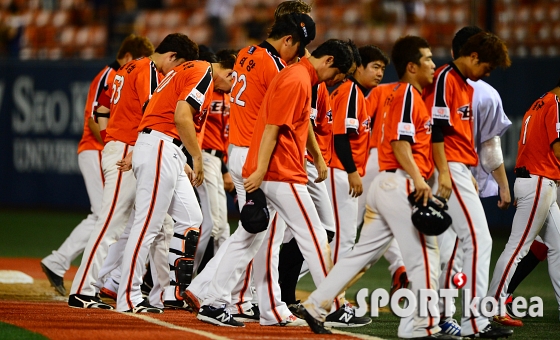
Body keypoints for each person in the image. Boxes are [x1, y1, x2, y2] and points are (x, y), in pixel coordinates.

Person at [300, 35, 448, 339]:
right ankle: (423, 325)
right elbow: (398, 141)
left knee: (360, 254)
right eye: (428, 59)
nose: (433, 65)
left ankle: (316, 305)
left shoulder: (386, 92)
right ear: (411, 66)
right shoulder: (407, 92)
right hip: (399, 180)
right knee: (423, 254)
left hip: (382, 180)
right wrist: (419, 180)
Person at [184, 13, 317, 325]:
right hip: (257, 153)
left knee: (256, 232)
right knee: (261, 234)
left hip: (240, 148)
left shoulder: (246, 53)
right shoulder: (278, 67)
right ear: (288, 40)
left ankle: (229, 296)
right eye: (298, 47)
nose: (299, 55)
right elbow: (280, 116)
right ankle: (231, 299)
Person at [68, 33, 194, 310]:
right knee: (111, 222)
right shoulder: (148, 70)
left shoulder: (126, 68)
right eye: (180, 64)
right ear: (172, 56)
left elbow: (101, 109)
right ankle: (82, 289)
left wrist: (111, 140)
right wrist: (122, 146)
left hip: (128, 147)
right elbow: (152, 113)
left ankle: (163, 293)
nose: (178, 72)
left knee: (162, 225)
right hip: (129, 149)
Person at [115, 43, 235, 313]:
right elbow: (182, 117)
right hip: (162, 146)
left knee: (192, 218)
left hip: (166, 149)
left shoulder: (186, 70)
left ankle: (169, 292)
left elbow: (163, 112)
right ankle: (128, 295)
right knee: (147, 226)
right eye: (234, 80)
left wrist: (182, 158)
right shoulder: (203, 70)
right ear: (229, 72)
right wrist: (198, 156)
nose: (232, 88)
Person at [40, 34, 154, 296]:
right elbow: (95, 116)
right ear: (127, 57)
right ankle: (74, 269)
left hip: (104, 148)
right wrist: (109, 141)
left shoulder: (119, 74)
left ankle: (63, 263)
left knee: (109, 215)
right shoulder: (111, 74)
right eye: (138, 59)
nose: (141, 65)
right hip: (98, 148)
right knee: (107, 215)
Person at [423, 31, 513, 338]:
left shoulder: (462, 83)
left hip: (459, 169)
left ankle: (439, 316)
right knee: (480, 240)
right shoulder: (446, 78)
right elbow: (435, 128)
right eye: (487, 66)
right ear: (473, 56)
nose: (488, 73)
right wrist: (446, 173)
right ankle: (474, 321)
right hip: (449, 168)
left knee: (454, 249)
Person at [487, 77, 560, 322]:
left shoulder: (537, 104)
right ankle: (493, 305)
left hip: (536, 180)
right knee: (517, 248)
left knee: (558, 246)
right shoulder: (556, 103)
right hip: (539, 181)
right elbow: (558, 148)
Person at [327, 45, 387, 265]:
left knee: (338, 238)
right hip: (339, 169)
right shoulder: (351, 91)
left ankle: (331, 296)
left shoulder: (354, 92)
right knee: (342, 238)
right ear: (358, 68)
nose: (380, 73)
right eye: (375, 67)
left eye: (382, 68)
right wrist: (352, 172)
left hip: (340, 170)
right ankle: (332, 297)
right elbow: (340, 136)